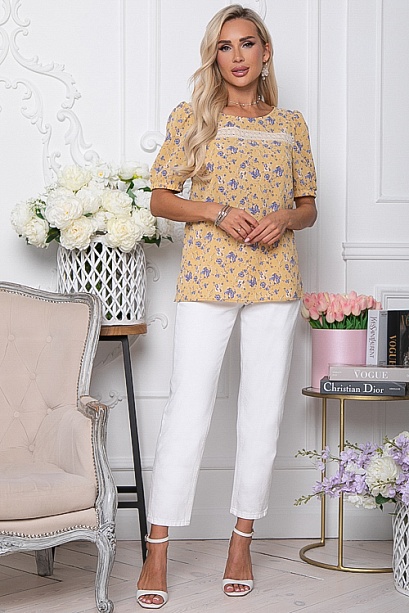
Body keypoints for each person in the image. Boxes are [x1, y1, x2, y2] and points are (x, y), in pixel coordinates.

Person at [136, 4, 317, 608]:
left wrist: (285, 217)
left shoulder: (291, 124)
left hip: (275, 276)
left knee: (262, 410)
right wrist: (216, 211)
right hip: (208, 274)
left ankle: (241, 541)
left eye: (247, 44)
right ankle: (157, 547)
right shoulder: (193, 117)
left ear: (266, 52)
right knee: (188, 408)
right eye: (224, 46)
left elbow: (308, 206)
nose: (237, 56)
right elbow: (161, 198)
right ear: (214, 57)